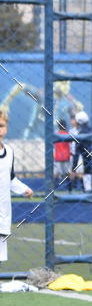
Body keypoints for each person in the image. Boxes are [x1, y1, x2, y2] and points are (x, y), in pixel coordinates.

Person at [0, 109, 34, 264]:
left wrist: (23, 189)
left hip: (3, 209)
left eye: (1, 125)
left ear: (6, 128)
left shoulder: (9, 152)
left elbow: (10, 178)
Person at [69, 110, 92, 192]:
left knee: (89, 192)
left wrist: (73, 169)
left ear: (78, 122)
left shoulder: (79, 135)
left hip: (87, 167)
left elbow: (76, 154)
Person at [53, 118, 72, 188]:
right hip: (66, 156)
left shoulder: (56, 135)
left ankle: (52, 189)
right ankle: (70, 190)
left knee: (55, 174)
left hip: (58, 157)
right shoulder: (68, 134)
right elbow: (71, 145)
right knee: (68, 174)